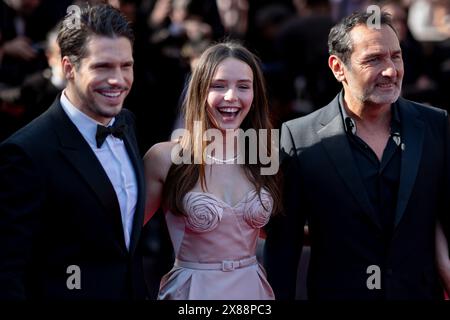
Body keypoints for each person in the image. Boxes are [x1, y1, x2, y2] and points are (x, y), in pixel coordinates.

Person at [264, 11, 450, 300]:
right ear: (338, 67)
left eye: (395, 56)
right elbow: (283, 247)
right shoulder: (298, 137)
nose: (390, 70)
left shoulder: (437, 125)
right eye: (374, 59)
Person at [0, 4, 147, 299]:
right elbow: (6, 270)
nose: (118, 79)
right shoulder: (26, 153)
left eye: (126, 65)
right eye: (102, 66)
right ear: (68, 67)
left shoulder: (126, 123)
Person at [143, 41, 281, 300]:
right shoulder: (165, 158)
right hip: (192, 293)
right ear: (200, 91)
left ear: (255, 95)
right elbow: (124, 233)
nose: (231, 96)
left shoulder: (266, 155)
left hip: (252, 292)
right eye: (218, 86)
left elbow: (271, 231)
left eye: (243, 86)